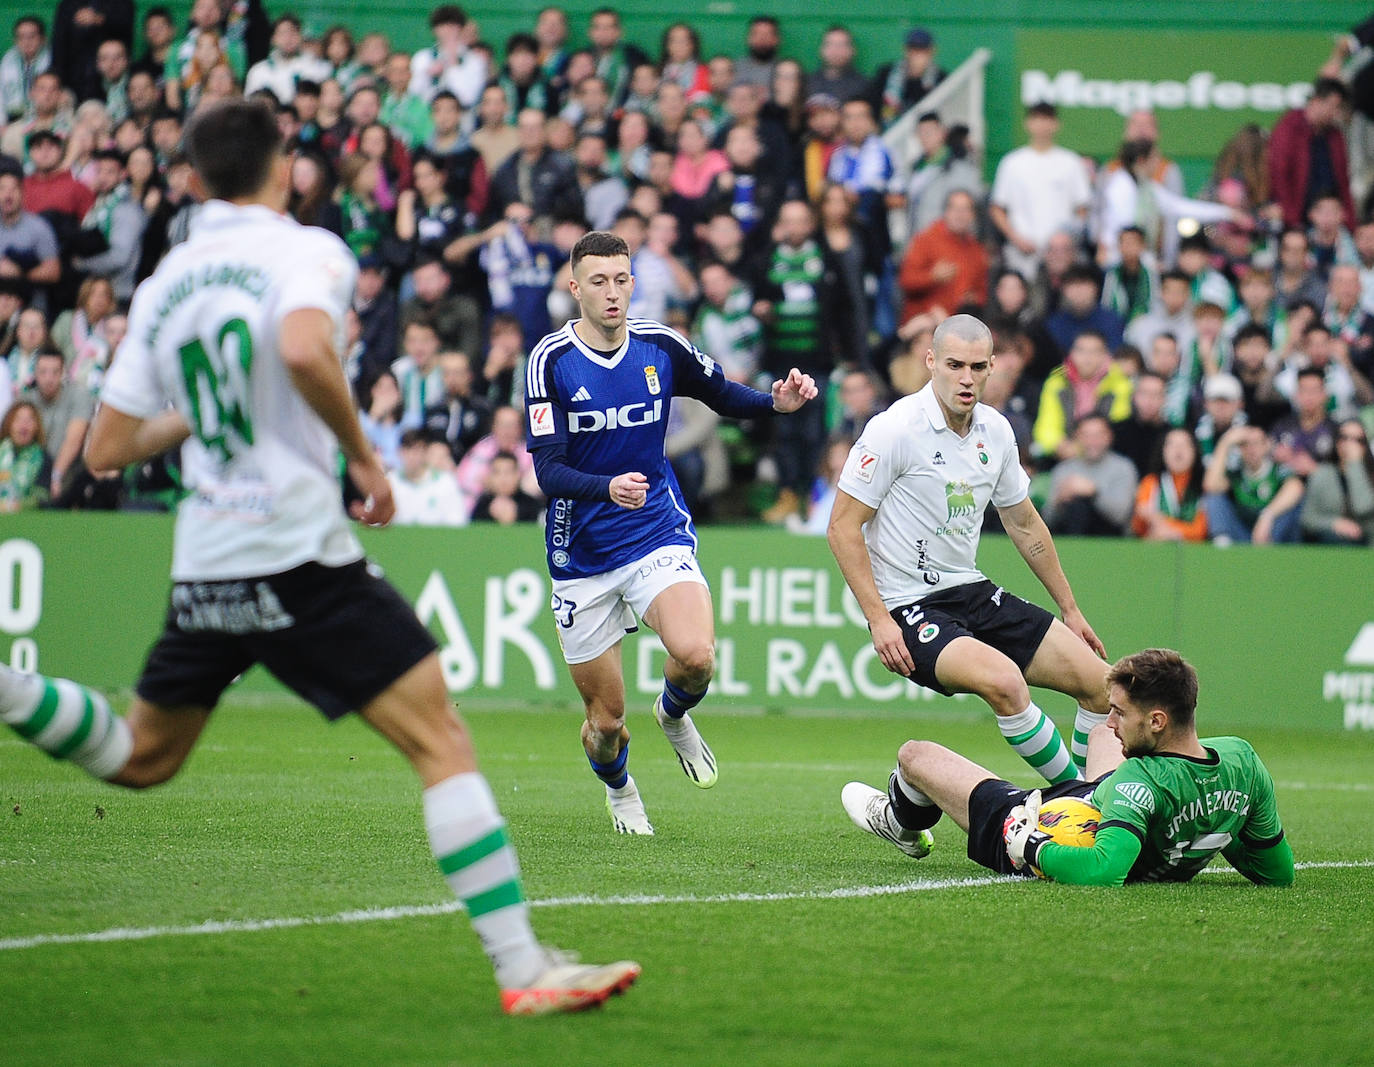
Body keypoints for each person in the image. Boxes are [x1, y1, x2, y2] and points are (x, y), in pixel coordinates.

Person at [0, 99, 638, 1014]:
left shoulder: (167, 281)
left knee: (141, 754)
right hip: (299, 550)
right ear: (282, 166)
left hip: (209, 556)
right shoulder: (308, 251)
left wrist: (213, 409)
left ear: (190, 176)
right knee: (441, 739)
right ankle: (522, 966)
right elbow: (303, 346)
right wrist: (364, 455)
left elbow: (106, 449)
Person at [524, 229, 817, 834]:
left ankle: (674, 714)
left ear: (634, 282)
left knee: (695, 655)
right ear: (575, 288)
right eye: (598, 282)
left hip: (654, 529)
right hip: (580, 554)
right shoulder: (550, 360)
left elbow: (721, 394)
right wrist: (604, 488)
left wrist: (775, 404)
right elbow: (547, 469)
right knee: (605, 724)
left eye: (621, 280)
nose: (612, 293)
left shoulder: (660, 345)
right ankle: (620, 787)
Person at [827, 314, 1113, 788]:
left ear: (992, 367)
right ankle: (1080, 798)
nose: (966, 378)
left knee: (1103, 686)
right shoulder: (894, 429)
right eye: (955, 365)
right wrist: (879, 618)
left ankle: (1085, 790)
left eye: (978, 367)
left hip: (971, 589)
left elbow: (1023, 522)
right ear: (931, 362)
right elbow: (842, 528)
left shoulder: (996, 431)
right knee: (1005, 682)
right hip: (909, 606)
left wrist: (1071, 608)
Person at [841, 647, 1295, 887]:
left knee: (915, 755)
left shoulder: (1137, 781)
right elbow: (1278, 873)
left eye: (1120, 712)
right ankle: (1085, 787)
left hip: (1050, 821)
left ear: (1157, 721)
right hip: (1105, 799)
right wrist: (1214, 820)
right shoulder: (1241, 759)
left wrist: (1030, 845)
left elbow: (1102, 871)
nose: (1112, 720)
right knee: (1098, 739)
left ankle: (902, 821)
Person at [990, 102, 1092, 281]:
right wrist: (1017, 239)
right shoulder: (1012, 162)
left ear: (1056, 124)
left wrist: (1065, 242)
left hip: (1061, 255)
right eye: (1037, 119)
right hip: (1022, 253)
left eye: (1047, 119)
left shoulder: (1071, 162)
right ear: (1027, 123)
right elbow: (997, 208)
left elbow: (1082, 208)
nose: (1042, 125)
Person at [1267, 77, 1355, 232]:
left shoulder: (1335, 136)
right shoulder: (1289, 128)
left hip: (1330, 221)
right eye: (1333, 106)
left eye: (1339, 108)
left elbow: (1343, 180)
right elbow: (1279, 174)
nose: (1335, 113)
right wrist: (1290, 217)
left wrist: (1350, 222)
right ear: (1316, 101)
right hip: (1296, 220)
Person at [1202, 424, 1304, 545]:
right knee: (1214, 498)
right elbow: (1211, 485)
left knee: (1295, 505)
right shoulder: (1236, 472)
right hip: (1242, 536)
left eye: (1256, 443)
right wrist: (1225, 442)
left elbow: (1296, 488)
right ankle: (1223, 545)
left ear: (1266, 445)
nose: (1251, 449)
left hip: (1272, 534)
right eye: (1245, 445)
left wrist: (1267, 516)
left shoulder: (1277, 469)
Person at [1041, 413, 1139, 537]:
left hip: (1109, 538)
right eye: (1086, 435)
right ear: (1077, 437)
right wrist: (1059, 500)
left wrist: (1093, 492)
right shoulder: (1063, 469)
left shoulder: (1123, 468)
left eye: (1098, 435)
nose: (1092, 441)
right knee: (1077, 508)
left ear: (1109, 436)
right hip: (1068, 535)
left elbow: (1121, 516)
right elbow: (1047, 520)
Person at [1300, 418, 1374, 544]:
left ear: (1365, 445)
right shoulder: (1322, 473)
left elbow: (1362, 507)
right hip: (1333, 541)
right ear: (1336, 440)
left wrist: (1355, 464)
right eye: (1344, 437)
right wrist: (1334, 523)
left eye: (1358, 440)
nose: (1349, 444)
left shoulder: (1371, 474)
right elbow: (1307, 518)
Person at [1132, 427, 1208, 542]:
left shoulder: (1205, 484)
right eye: (1171, 445)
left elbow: (1200, 531)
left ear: (1195, 451)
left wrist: (1163, 525)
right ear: (1162, 450)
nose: (1178, 450)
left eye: (1185, 445)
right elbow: (1139, 528)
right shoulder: (1150, 482)